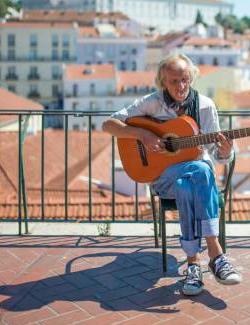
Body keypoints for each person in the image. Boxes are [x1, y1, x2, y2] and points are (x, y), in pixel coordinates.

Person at [102, 53, 242, 296]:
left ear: (192, 78)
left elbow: (218, 156)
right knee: (197, 171)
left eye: (185, 79)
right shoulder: (151, 103)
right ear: (163, 81)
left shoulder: (205, 106)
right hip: (162, 177)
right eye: (174, 81)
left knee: (188, 181)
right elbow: (109, 125)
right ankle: (217, 255)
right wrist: (142, 135)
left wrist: (226, 150)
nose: (181, 86)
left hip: (190, 181)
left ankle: (192, 265)